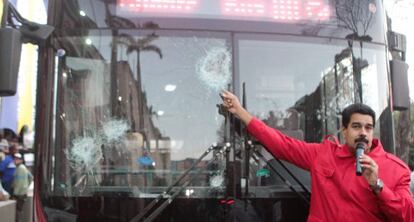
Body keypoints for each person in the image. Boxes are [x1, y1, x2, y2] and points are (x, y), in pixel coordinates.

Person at [220, 90, 414, 221]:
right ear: (344, 131)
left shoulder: (397, 169)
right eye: (356, 126)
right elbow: (281, 144)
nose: (363, 132)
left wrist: (377, 185)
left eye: (368, 127)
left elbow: (407, 216)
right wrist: (241, 112)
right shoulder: (322, 154)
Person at [12, 153, 33, 222]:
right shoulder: (23, 167)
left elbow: (19, 182)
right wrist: (26, 186)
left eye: (17, 159)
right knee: (19, 210)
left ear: (21, 160)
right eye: (14, 159)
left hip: (19, 193)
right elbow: (31, 177)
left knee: (18, 211)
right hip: (22, 192)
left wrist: (15, 193)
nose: (15, 160)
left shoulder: (20, 168)